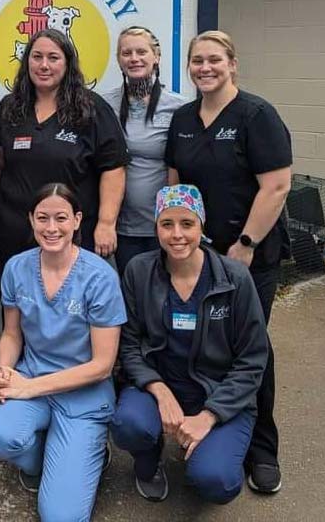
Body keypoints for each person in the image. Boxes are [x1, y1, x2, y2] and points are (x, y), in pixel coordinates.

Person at [165, 30, 292, 494]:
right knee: (198, 342)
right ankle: (210, 429)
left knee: (250, 348)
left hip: (248, 256)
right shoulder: (182, 118)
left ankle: (262, 449)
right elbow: (175, 182)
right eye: (197, 61)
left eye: (214, 60)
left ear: (232, 63)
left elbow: (276, 185)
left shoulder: (256, 115)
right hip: (195, 254)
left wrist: (245, 244)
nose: (205, 68)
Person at [111, 185, 268, 505]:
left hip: (217, 391)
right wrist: (159, 389)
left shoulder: (234, 278)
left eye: (187, 223)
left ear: (202, 225)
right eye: (166, 224)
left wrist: (209, 415)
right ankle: (149, 462)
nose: (177, 234)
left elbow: (252, 359)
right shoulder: (139, 271)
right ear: (155, 228)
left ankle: (217, 445)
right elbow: (128, 346)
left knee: (216, 481)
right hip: (161, 384)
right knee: (129, 424)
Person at [0, 183, 127, 522]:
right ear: (31, 220)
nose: (51, 228)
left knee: (60, 516)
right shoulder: (17, 267)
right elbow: (12, 334)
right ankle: (49, 460)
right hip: (32, 376)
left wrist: (27, 388)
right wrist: (5, 373)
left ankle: (85, 453)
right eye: (42, 218)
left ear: (77, 220)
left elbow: (102, 366)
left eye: (61, 218)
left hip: (83, 395)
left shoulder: (99, 277)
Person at [0, 28, 129, 278]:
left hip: (72, 235)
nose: (44, 65)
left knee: (71, 307)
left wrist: (107, 224)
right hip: (14, 230)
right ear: (26, 61)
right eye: (37, 57)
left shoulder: (91, 109)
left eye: (53, 58)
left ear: (68, 63)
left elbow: (113, 168)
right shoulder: (9, 108)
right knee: (17, 305)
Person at [103, 25, 186, 277]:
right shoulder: (104, 105)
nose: (134, 58)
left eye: (142, 51)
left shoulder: (180, 108)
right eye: (126, 53)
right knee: (130, 298)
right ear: (119, 60)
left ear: (156, 56)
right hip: (121, 228)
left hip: (164, 227)